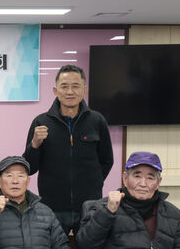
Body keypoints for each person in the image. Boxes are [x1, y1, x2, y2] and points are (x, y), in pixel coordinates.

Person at [22, 64, 113, 235]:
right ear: (55, 90)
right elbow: (30, 168)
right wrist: (34, 145)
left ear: (85, 90)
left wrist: (94, 183)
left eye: (75, 86)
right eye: (64, 86)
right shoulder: (41, 122)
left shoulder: (97, 121)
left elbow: (107, 160)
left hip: (89, 205)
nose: (70, 91)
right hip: (52, 206)